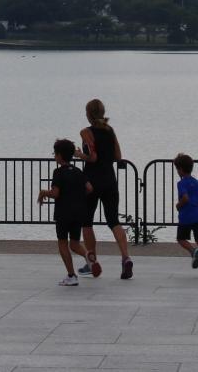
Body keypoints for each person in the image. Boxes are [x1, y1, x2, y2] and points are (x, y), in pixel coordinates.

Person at [75, 98, 134, 279]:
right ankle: (126, 257)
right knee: (113, 220)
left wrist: (79, 155)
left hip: (91, 181)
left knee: (86, 222)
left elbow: (92, 157)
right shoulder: (110, 130)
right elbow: (118, 156)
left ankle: (92, 261)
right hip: (109, 180)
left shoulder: (86, 132)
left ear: (89, 114)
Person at [37, 138, 92, 286]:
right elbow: (89, 188)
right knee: (75, 243)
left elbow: (55, 193)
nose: (54, 156)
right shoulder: (78, 171)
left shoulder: (58, 172)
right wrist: (78, 196)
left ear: (60, 156)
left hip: (63, 213)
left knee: (62, 243)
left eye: (55, 154)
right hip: (79, 212)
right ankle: (88, 256)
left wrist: (43, 193)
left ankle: (71, 275)